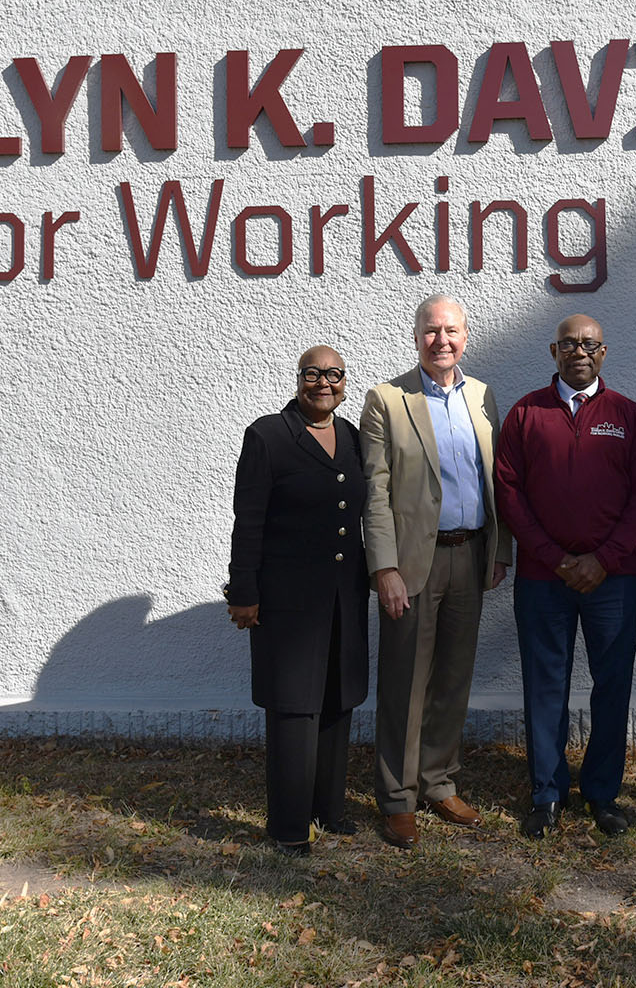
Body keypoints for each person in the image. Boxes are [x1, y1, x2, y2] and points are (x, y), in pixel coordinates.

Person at [494, 314, 636, 839]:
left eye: (590, 344)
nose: (580, 351)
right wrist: (554, 556)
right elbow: (509, 493)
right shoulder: (526, 413)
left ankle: (603, 793)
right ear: (553, 350)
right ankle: (546, 793)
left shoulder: (628, 416)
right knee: (545, 686)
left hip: (614, 579)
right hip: (545, 578)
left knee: (612, 685)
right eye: (570, 343)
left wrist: (603, 559)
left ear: (604, 352)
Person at [360, 295, 512, 850]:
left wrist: (500, 550)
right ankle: (398, 796)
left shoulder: (482, 397)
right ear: (416, 336)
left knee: (453, 676)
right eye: (431, 330)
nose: (441, 340)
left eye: (451, 331)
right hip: (412, 563)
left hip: (470, 554)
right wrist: (385, 568)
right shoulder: (386, 400)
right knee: (405, 681)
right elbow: (373, 492)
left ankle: (438, 781)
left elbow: (497, 479)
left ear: (465, 337)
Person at [226, 345, 370, 857]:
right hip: (286, 601)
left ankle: (327, 812)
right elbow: (250, 520)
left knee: (337, 699)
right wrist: (243, 591)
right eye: (314, 374)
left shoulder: (352, 436)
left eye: (334, 375)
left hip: (342, 598)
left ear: (344, 381)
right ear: (298, 379)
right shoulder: (268, 435)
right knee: (293, 707)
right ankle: (289, 826)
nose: (323, 383)